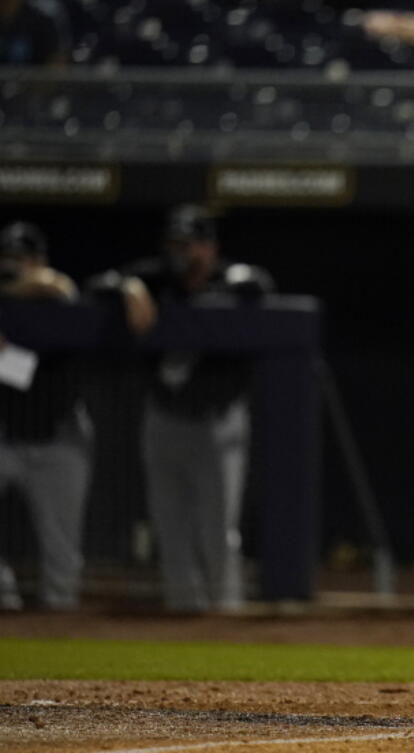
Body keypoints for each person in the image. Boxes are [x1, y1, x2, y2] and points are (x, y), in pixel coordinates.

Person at [92, 205, 274, 613]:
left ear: (210, 248)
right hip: (164, 416)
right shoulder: (153, 279)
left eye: (190, 245)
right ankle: (182, 612)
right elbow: (98, 284)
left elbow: (259, 286)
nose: (182, 254)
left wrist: (219, 289)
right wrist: (129, 287)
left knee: (217, 527)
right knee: (169, 524)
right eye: (175, 245)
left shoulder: (235, 281)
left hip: (217, 419)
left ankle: (225, 611)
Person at [0, 221, 91, 610]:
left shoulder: (60, 299)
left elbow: (58, 287)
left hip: (59, 434)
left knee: (61, 551)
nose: (15, 266)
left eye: (22, 259)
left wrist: (3, 356)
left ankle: (60, 627)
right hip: (7, 437)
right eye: (8, 259)